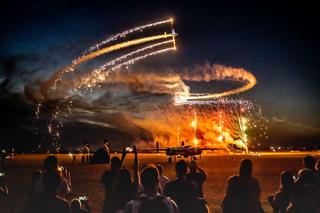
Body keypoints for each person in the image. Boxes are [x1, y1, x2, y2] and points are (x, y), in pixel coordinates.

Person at [113, 146, 139, 212]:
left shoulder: (118, 187)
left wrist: (123, 156)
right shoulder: (133, 187)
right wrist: (136, 154)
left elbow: (116, 173)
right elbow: (136, 169)